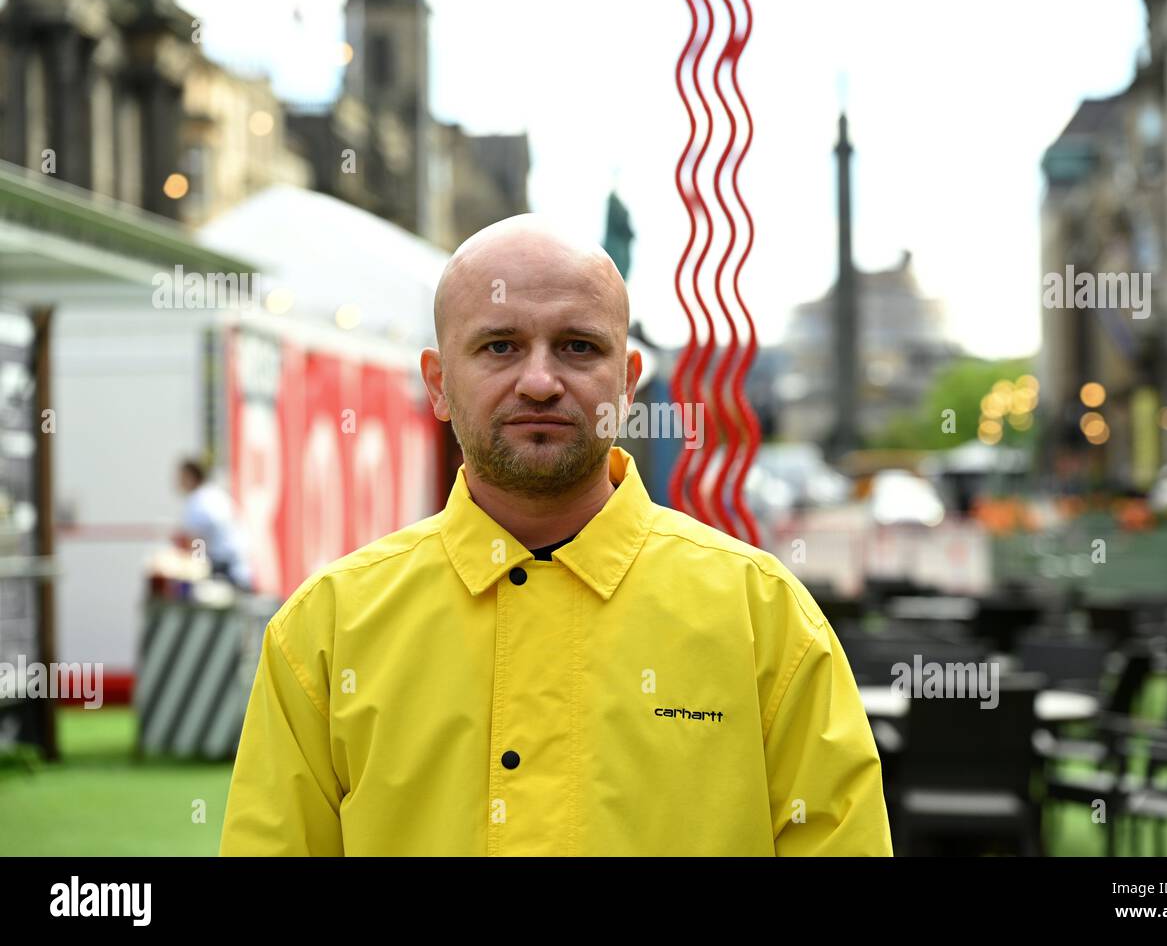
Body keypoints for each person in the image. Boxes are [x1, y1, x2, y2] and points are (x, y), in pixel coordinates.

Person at [219, 214, 891, 856]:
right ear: (439, 382)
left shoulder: (763, 620)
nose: (539, 382)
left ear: (627, 384)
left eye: (577, 346)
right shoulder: (327, 632)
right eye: (499, 346)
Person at [176, 459, 253, 592]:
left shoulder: (198, 503)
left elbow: (194, 544)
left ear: (191, 477)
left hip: (226, 573)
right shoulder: (214, 494)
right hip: (241, 568)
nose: (179, 482)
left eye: (181, 477)